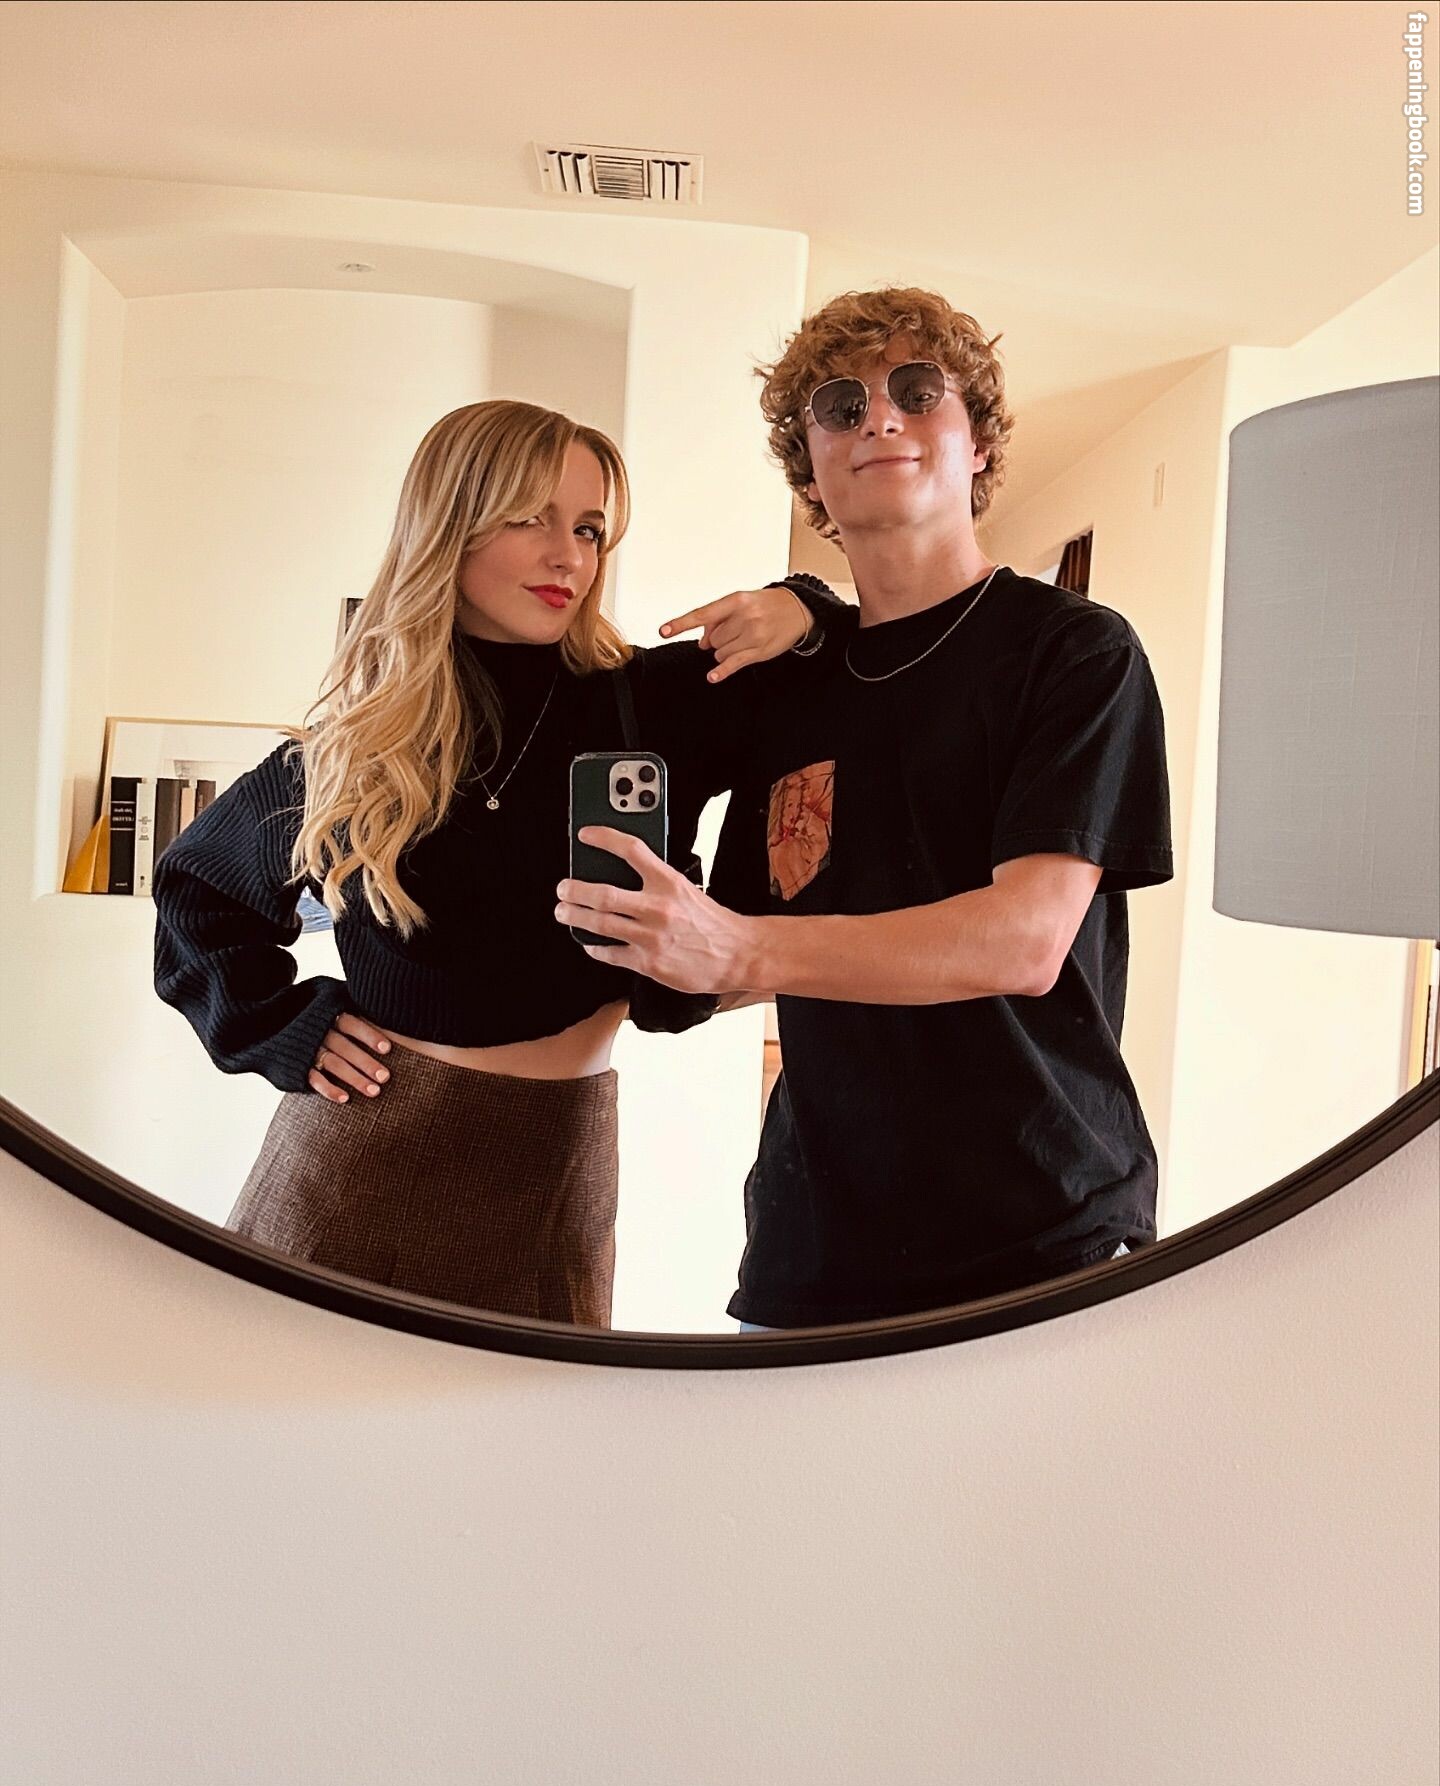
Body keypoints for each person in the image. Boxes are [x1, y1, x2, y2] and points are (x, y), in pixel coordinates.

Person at [556, 288, 1173, 1329]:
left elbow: (1023, 941)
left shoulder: (1074, 651)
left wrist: (741, 948)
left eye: (918, 392)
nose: (879, 417)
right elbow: (735, 952)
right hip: (814, 1254)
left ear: (979, 445)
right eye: (842, 407)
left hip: (1041, 1238)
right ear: (811, 474)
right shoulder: (788, 685)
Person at [153, 399, 843, 1327]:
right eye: (530, 519)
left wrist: (804, 604)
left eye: (589, 529)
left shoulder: (655, 701)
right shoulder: (365, 744)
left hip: (556, 1167)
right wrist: (277, 1026)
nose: (568, 557)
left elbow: (849, 688)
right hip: (356, 1159)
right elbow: (196, 889)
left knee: (532, 1424)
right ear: (450, 522)